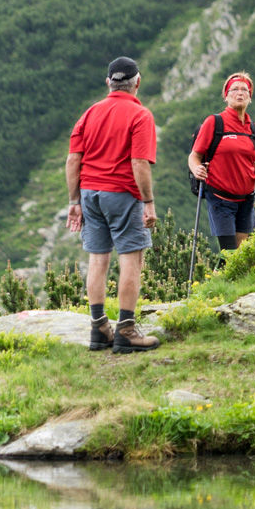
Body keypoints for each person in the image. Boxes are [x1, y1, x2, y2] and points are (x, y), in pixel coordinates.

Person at [66, 56, 159, 353]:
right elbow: (139, 162)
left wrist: (74, 201)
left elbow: (73, 160)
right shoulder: (140, 115)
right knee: (131, 259)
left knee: (98, 259)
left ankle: (99, 329)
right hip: (122, 193)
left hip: (89, 194)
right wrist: (148, 202)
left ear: (108, 82)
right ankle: (126, 331)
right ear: (137, 82)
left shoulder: (90, 113)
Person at [187, 71, 255, 254]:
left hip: (246, 201)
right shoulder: (214, 123)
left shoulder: (252, 128)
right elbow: (194, 156)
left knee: (241, 255)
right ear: (226, 96)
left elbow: (249, 162)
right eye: (234, 89)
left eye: (244, 90)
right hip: (220, 199)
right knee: (230, 254)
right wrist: (197, 169)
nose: (240, 93)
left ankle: (224, 273)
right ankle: (219, 273)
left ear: (250, 98)